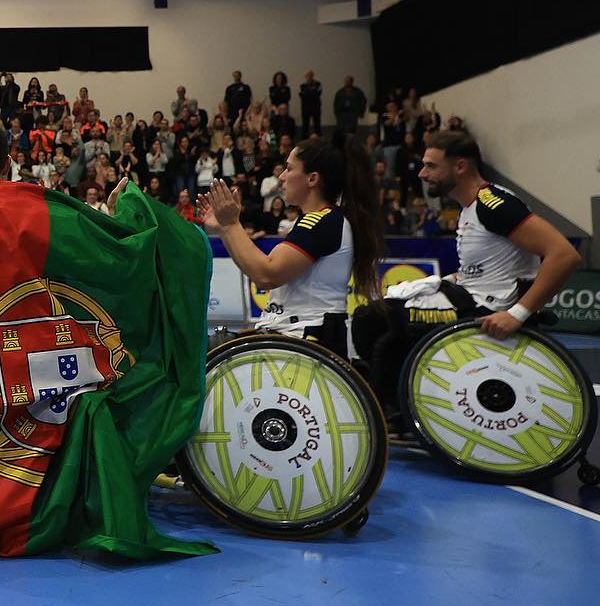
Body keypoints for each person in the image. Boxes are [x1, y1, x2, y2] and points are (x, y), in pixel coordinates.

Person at [351, 131, 582, 406]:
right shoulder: (468, 208)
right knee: (371, 315)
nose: (423, 174)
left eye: (431, 166)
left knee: (386, 326)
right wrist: (439, 281)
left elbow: (564, 255)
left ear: (460, 166)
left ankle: (392, 412)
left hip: (490, 308)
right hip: (470, 295)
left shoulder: (494, 205)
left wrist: (517, 314)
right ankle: (394, 402)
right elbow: (482, 269)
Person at [199, 135, 383, 341]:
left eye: (289, 168)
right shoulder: (320, 220)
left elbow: (266, 275)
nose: (282, 177)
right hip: (296, 334)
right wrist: (225, 227)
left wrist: (232, 224)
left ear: (312, 179)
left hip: (307, 338)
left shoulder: (323, 221)